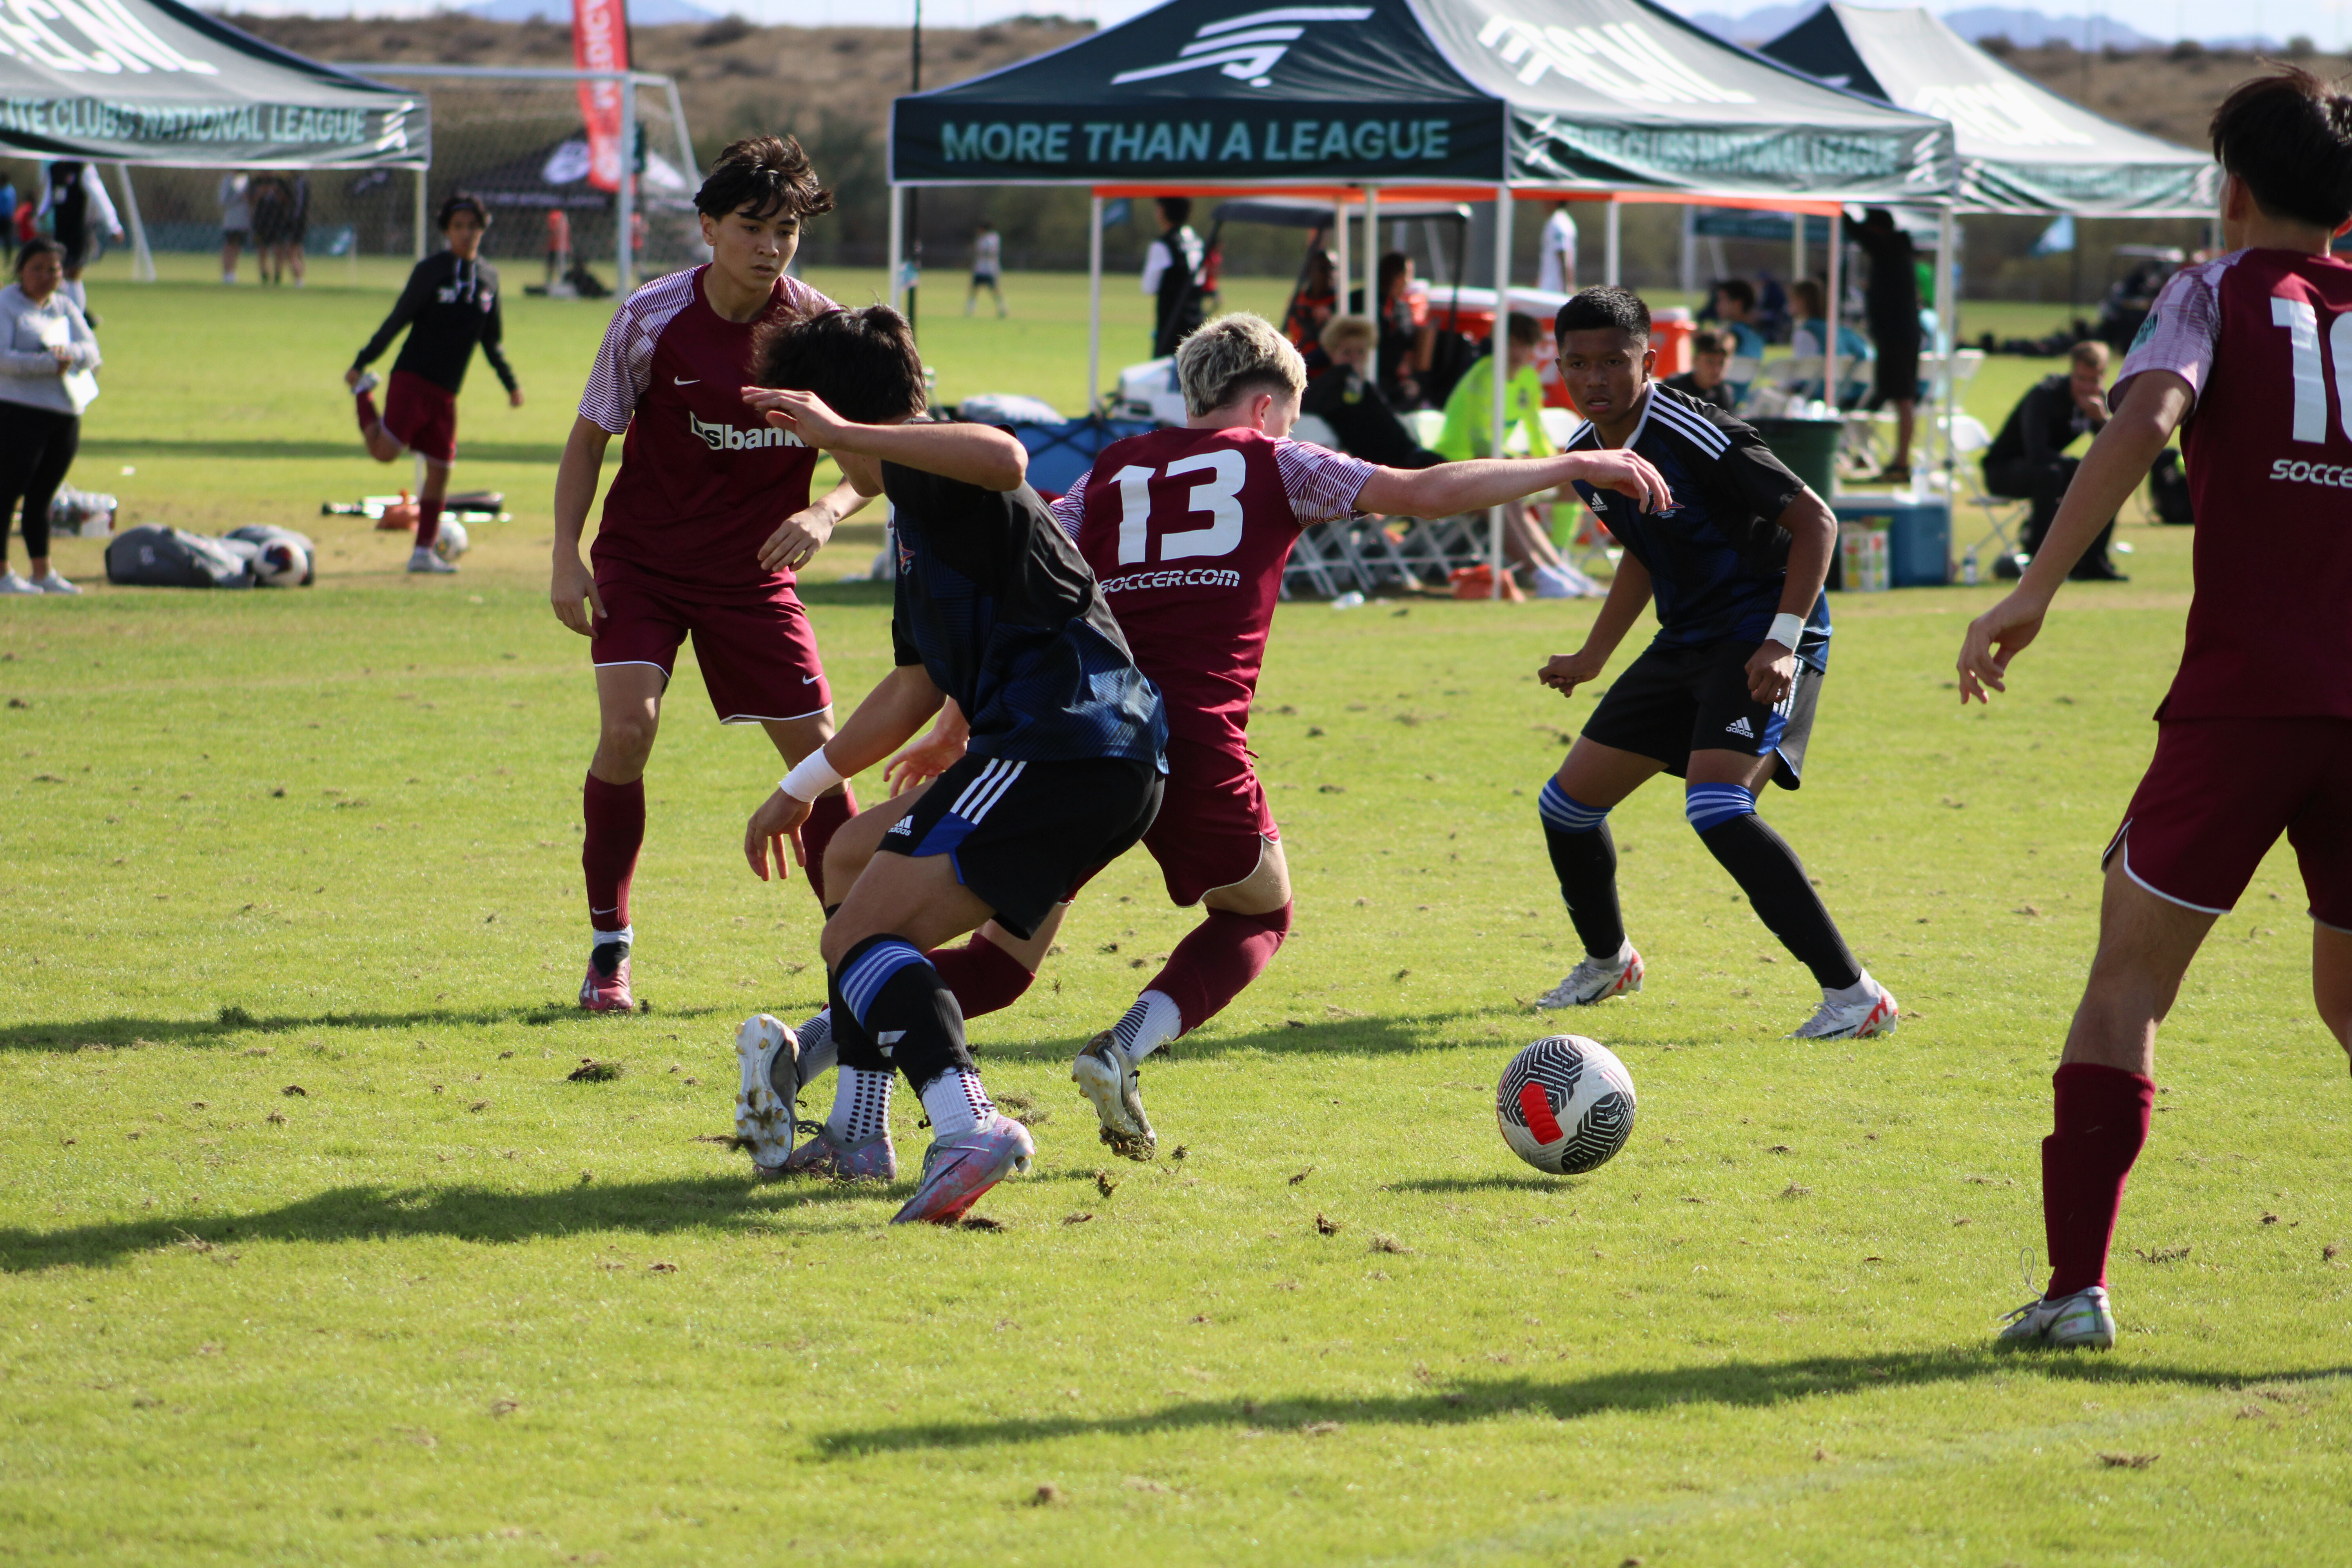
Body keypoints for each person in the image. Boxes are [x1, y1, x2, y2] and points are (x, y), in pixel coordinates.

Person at [741, 312, 1671, 1166]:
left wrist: (954, 723)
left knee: (989, 959)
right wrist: (1566, 467)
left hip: (1061, 730)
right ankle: (1111, 1051)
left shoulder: (1111, 470)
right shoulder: (1276, 459)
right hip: (1150, 742)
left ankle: (821, 1060)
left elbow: (1026, 582)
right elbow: (1425, 492)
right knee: (1259, 912)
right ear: (1270, 406)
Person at [1957, 67, 2352, 1352]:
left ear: (2230, 188)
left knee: (2126, 980)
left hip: (2248, 705)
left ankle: (2076, 1291)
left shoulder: (2210, 289)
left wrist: (2032, 591)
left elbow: (2147, 420)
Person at [735, 304, 1169, 1222]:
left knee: (853, 938)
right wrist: (797, 788)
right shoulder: (916, 519)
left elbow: (1009, 458)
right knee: (851, 861)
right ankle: (860, 1134)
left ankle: (967, 1122)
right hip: (1070, 753)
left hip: (1066, 743)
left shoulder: (932, 469)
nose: (819, 460)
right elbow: (913, 688)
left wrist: (845, 432)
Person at [551, 136, 872, 1014]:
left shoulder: (821, 332)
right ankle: (608, 950)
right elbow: (588, 439)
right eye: (752, 226)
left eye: (788, 230)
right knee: (627, 732)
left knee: (820, 763)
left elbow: (875, 458)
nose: (771, 246)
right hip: (644, 564)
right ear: (707, 227)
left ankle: (859, 959)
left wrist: (824, 511)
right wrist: (563, 555)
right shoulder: (651, 317)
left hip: (755, 578)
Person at [1536, 287, 1898, 1040]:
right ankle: (1610, 963)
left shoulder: (1696, 432)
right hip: (1689, 641)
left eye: (1613, 361)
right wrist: (1593, 655)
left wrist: (1783, 640)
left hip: (1765, 633)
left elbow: (1816, 523)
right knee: (1565, 808)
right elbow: (1644, 555)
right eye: (1578, 363)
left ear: (1650, 361)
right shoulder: (1584, 456)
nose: (1595, 378)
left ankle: (1855, 998)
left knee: (1719, 808)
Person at [345, 194, 522, 576]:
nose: (467, 233)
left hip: (447, 393)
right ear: (446, 231)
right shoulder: (431, 271)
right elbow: (399, 318)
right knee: (385, 453)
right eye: (459, 226)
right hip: (412, 378)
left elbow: (491, 341)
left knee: (441, 471)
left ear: (482, 229)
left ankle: (422, 552)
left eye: (473, 226)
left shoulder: (490, 278)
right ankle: (364, 396)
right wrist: (363, 361)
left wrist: (510, 384)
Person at [1433, 312, 1576, 580]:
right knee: (1505, 494)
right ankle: (1540, 573)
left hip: (1495, 464)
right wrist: (1518, 463)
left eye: (1525, 344)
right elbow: (1478, 441)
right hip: (1456, 464)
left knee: (1574, 478)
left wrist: (1551, 464)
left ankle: (1560, 560)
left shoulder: (1528, 379)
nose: (1518, 352)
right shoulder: (1483, 377)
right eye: (1511, 343)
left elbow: (1536, 432)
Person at [0, 239, 98, 596]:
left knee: (43, 497)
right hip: (18, 411)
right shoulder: (7, 304)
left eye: (53, 270)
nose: (45, 277)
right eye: (36, 269)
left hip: (65, 410)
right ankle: (3, 574)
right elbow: (3, 358)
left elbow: (92, 351)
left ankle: (43, 572)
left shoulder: (65, 306)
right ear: (21, 270)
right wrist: (47, 364)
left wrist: (70, 353)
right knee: (7, 493)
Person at [1984, 341, 2125, 581]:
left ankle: (2092, 563)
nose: (2087, 387)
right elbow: (2036, 454)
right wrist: (2079, 467)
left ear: (2104, 376)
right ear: (2072, 372)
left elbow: (2115, 452)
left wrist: (2101, 420)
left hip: (2049, 470)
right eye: (2081, 379)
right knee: (2051, 475)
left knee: (2106, 476)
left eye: (2095, 380)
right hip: (2003, 471)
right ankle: (2038, 562)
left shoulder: (2097, 401)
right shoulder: (2045, 395)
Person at [1301, 316, 1442, 468]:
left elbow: (1385, 408)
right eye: (1347, 353)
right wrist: (1341, 372)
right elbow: (1308, 401)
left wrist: (1402, 392)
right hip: (1387, 465)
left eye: (1361, 352)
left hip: (1409, 454)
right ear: (1332, 354)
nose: (1355, 358)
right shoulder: (1332, 386)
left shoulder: (1365, 385)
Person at [1853, 208, 1922, 481]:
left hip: (1897, 336)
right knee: (1891, 396)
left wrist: (1841, 208)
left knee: (1903, 398)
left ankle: (1901, 463)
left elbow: (1859, 235)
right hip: (1897, 334)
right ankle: (1879, 458)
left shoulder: (1890, 248)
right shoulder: (1897, 251)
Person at [38, 162, 120, 322]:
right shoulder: (54, 170)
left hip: (80, 229)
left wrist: (113, 226)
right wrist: (39, 217)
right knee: (60, 272)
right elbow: (48, 196)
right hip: (60, 230)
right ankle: (65, 314)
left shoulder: (83, 168)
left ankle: (78, 318)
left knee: (74, 272)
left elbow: (100, 196)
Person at [1786, 278, 1873, 407]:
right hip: (1850, 393)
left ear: (1801, 302)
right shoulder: (1841, 331)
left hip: (1819, 395)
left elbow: (1801, 375)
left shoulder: (1807, 333)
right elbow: (1865, 354)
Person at [1143, 196, 1206, 358]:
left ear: (1162, 211)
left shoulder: (1164, 244)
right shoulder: (1197, 241)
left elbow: (1149, 287)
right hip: (1197, 319)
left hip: (1172, 324)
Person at [1661, 328, 1735, 413]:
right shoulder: (1674, 388)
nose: (1717, 370)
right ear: (1695, 360)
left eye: (1722, 363)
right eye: (1710, 362)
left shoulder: (1724, 392)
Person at [1281, 247, 1338, 352]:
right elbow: (1291, 329)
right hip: (1299, 354)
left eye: (1334, 269)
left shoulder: (1340, 301)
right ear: (1311, 271)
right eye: (1323, 269)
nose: (1330, 274)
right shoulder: (1300, 299)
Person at [1708, 279, 1765, 360]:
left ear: (1738, 304)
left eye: (1722, 300)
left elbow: (1728, 342)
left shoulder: (1736, 332)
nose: (1717, 305)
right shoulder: (1756, 334)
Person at [965, 219, 1005, 318]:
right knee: (974, 290)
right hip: (979, 269)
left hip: (990, 269)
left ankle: (1002, 309)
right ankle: (970, 310)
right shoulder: (980, 239)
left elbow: (990, 252)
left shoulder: (992, 238)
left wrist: (979, 251)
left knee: (995, 290)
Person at [1538, 200, 1578, 295]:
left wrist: (1568, 285)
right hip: (1550, 286)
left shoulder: (1559, 223)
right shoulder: (1556, 220)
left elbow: (1563, 254)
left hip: (1555, 287)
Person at [219, 172, 249, 285]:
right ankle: (227, 274)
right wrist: (239, 197)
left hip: (244, 222)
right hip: (231, 222)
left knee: (238, 248)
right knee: (229, 247)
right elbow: (223, 200)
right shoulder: (229, 180)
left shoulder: (247, 180)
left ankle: (233, 272)